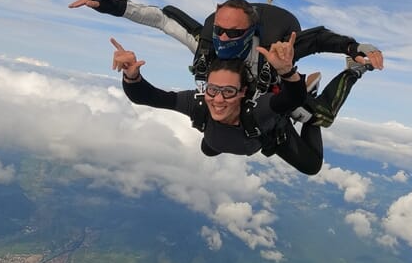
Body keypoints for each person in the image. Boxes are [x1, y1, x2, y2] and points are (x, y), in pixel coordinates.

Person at [70, 0, 383, 126]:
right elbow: (161, 18)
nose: (222, 38)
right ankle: (302, 86)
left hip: (273, 90)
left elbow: (318, 39)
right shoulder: (205, 46)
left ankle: (352, 74)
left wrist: (355, 50)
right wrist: (107, 3)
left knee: (322, 119)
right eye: (219, 30)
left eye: (233, 33)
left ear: (251, 31)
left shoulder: (275, 51)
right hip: (238, 100)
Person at [111, 32, 383, 175]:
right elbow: (150, 97)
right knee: (210, 148)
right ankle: (300, 95)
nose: (218, 99)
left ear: (243, 93)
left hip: (270, 132)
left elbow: (290, 98)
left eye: (228, 92)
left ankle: (349, 73)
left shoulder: (258, 110)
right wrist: (132, 76)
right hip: (239, 136)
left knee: (317, 135)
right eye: (213, 89)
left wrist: (289, 74)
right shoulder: (200, 104)